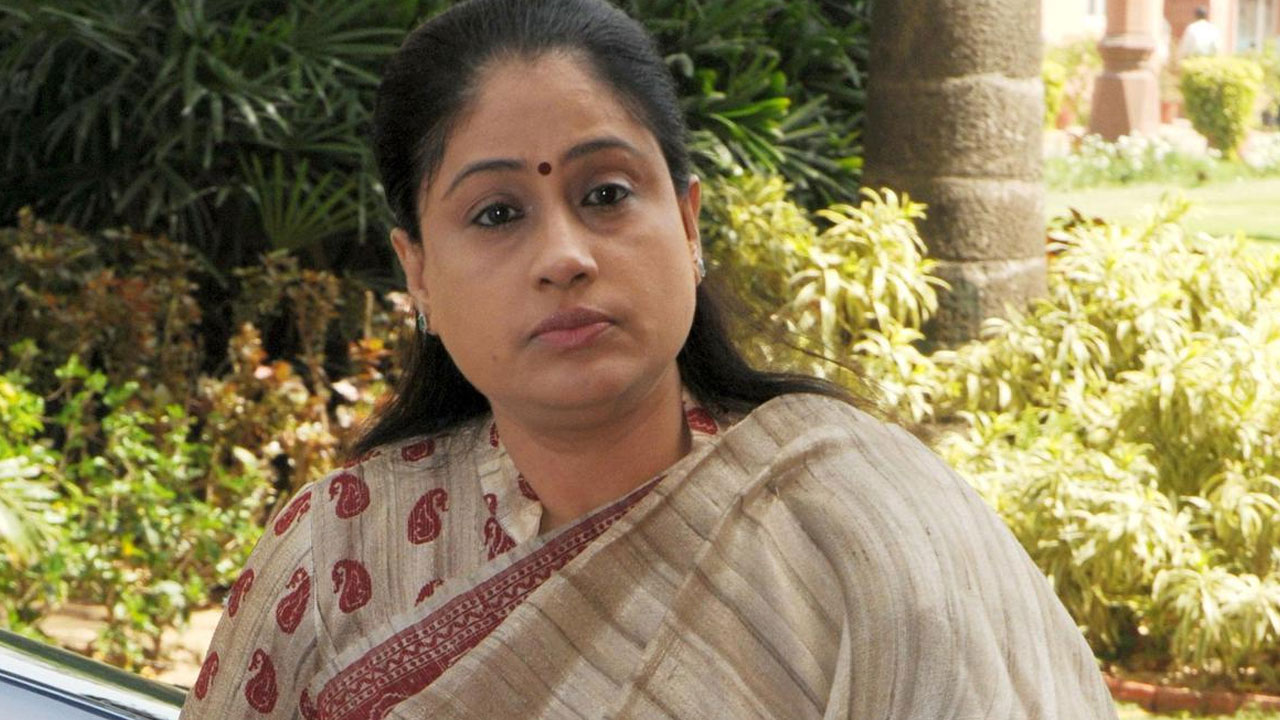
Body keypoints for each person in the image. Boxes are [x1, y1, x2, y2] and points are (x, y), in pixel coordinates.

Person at [179, 0, 1118, 718]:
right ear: (417, 271)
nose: (564, 256)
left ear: (689, 223)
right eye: (497, 213)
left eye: (607, 193)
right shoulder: (334, 555)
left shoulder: (857, 520)